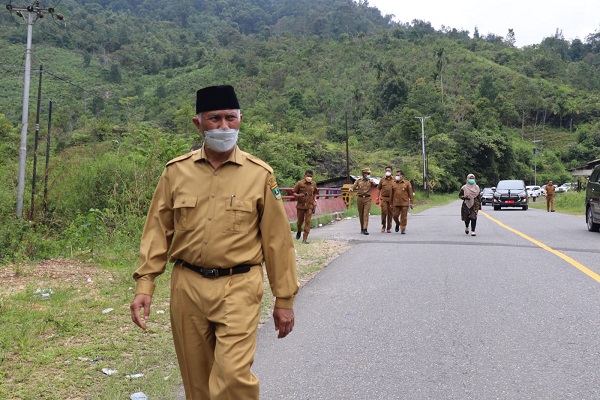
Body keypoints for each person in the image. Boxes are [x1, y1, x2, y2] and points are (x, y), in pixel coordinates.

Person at [129, 85, 299, 400]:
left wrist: (284, 299)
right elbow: (157, 230)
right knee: (198, 385)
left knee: (233, 379)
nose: (223, 126)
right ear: (198, 123)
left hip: (239, 285)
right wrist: (145, 285)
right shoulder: (175, 172)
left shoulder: (260, 175)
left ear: (240, 119)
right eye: (215, 118)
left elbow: (278, 242)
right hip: (187, 286)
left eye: (230, 118)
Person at [293, 169, 318, 243]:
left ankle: (305, 239)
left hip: (309, 206)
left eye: (311, 176)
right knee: (300, 222)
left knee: (308, 222)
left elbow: (315, 193)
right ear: (305, 176)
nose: (309, 177)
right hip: (300, 206)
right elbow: (294, 192)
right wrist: (298, 195)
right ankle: (299, 230)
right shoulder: (300, 183)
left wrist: (315, 201)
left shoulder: (313, 184)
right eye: (308, 176)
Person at [349, 168, 376, 235]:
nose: (368, 175)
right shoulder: (358, 181)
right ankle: (362, 228)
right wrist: (351, 189)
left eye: (369, 173)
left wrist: (372, 182)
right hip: (360, 198)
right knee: (361, 214)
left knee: (366, 214)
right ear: (363, 174)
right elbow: (353, 187)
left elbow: (375, 185)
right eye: (367, 173)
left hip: (367, 198)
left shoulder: (370, 181)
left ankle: (365, 228)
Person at [376, 166, 394, 233]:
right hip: (384, 198)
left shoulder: (394, 180)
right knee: (384, 211)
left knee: (390, 213)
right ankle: (383, 225)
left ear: (391, 171)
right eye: (386, 170)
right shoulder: (382, 179)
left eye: (389, 170)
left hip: (391, 199)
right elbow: (378, 188)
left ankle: (389, 228)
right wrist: (377, 198)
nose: (387, 171)